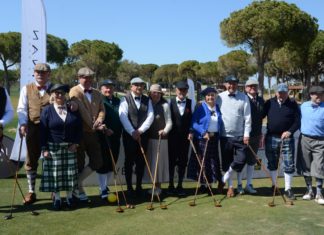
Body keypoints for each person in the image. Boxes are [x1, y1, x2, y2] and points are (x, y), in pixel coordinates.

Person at [39, 84, 82, 210]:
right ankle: (57, 199)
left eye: (61, 93)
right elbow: (42, 132)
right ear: (52, 94)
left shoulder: (73, 110)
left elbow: (79, 129)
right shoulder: (47, 110)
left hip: (70, 147)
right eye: (56, 93)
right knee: (55, 175)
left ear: (65, 95)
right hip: (53, 148)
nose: (59, 95)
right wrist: (44, 149)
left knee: (69, 175)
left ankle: (69, 198)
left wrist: (76, 143)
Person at [17, 63, 52, 204]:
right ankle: (31, 191)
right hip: (32, 128)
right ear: (34, 73)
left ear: (49, 74)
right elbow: (22, 108)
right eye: (38, 72)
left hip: (51, 129)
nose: (40, 74)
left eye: (43, 72)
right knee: (31, 159)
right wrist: (23, 124)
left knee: (50, 159)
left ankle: (53, 190)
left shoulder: (55, 89)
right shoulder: (26, 89)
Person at [69, 67, 105, 201]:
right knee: (79, 162)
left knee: (97, 161)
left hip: (93, 133)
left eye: (90, 77)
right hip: (79, 133)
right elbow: (82, 111)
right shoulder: (74, 91)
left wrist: (100, 120)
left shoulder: (96, 92)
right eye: (85, 77)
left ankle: (76, 183)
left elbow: (102, 109)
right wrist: (93, 124)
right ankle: (78, 190)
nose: (88, 80)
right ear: (79, 77)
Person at [263, 83, 300, 200]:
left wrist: (290, 131)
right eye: (279, 92)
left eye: (284, 92)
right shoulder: (269, 103)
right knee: (272, 162)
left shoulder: (293, 104)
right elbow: (260, 116)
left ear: (287, 92)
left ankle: (288, 189)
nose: (281, 94)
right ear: (276, 92)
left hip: (287, 137)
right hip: (271, 137)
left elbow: (297, 121)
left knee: (288, 163)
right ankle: (275, 186)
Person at [216, 75, 251, 198]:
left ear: (237, 85)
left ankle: (223, 179)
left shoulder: (244, 97)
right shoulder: (219, 97)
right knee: (226, 163)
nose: (231, 85)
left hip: (240, 136)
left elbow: (247, 118)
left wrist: (246, 134)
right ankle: (230, 187)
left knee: (242, 159)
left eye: (234, 83)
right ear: (226, 84)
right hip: (224, 136)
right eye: (229, 83)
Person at [119, 77, 154, 196]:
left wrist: (140, 131)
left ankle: (139, 186)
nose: (139, 87)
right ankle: (129, 187)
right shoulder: (124, 99)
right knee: (129, 162)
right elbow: (122, 116)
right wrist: (132, 131)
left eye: (141, 85)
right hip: (129, 136)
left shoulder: (147, 100)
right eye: (136, 85)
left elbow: (150, 116)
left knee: (141, 161)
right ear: (131, 87)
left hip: (143, 135)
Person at [188, 87, 223, 194]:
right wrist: (203, 132)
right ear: (205, 97)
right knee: (202, 162)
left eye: (212, 95)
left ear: (215, 96)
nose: (210, 97)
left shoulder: (217, 107)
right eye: (208, 96)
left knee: (212, 161)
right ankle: (203, 185)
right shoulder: (200, 107)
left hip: (214, 138)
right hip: (202, 139)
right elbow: (194, 123)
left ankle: (210, 184)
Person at [235, 79, 265, 195]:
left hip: (256, 135)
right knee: (240, 160)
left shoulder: (261, 100)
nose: (253, 88)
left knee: (252, 161)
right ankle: (239, 184)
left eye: (255, 86)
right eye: (250, 86)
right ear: (246, 87)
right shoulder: (241, 99)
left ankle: (249, 184)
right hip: (242, 135)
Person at [297, 86, 324, 205]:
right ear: (311, 95)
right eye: (316, 94)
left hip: (321, 141)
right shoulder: (303, 106)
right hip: (305, 139)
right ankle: (309, 191)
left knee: (319, 166)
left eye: (321, 94)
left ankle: (319, 193)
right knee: (306, 166)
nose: (319, 96)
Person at [96, 79, 123, 199]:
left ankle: (105, 186)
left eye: (111, 87)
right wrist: (104, 129)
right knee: (103, 164)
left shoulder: (118, 100)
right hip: (103, 137)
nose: (108, 89)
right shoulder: (99, 101)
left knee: (112, 163)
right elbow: (95, 118)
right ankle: (102, 189)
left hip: (116, 137)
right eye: (106, 87)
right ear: (101, 89)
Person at [145, 84, 172, 195]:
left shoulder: (165, 105)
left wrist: (165, 131)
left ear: (161, 93)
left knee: (158, 164)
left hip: (161, 139)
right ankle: (153, 186)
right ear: (150, 94)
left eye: (158, 92)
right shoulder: (147, 103)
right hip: (148, 138)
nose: (156, 94)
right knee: (151, 164)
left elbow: (169, 122)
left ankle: (158, 187)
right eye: (153, 92)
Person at [168, 80, 192, 196]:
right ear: (175, 90)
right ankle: (171, 185)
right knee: (172, 162)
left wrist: (191, 131)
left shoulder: (191, 103)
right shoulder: (169, 103)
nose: (182, 92)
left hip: (185, 139)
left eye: (184, 90)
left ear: (187, 91)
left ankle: (180, 185)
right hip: (172, 139)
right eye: (180, 89)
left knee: (183, 162)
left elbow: (193, 120)